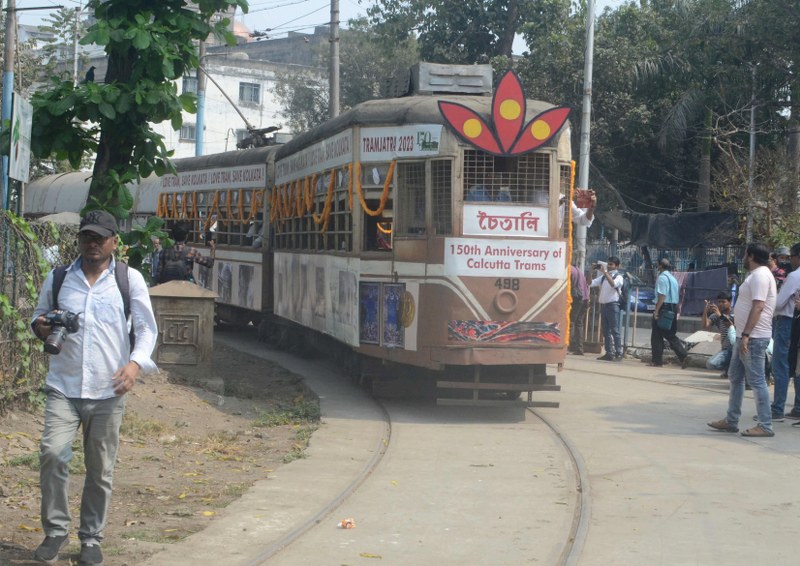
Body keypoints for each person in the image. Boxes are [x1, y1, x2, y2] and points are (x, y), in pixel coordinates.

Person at [30, 210, 158, 565]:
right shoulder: (58, 278)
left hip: (108, 390)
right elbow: (38, 316)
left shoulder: (127, 279)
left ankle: (91, 538)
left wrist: (135, 364)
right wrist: (41, 326)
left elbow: (147, 329)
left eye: (100, 238)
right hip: (63, 386)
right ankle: (56, 532)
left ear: (115, 242)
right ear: (80, 240)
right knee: (52, 454)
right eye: (87, 236)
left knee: (100, 469)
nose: (93, 243)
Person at [708, 242, 777, 437]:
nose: (743, 257)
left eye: (745, 254)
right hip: (743, 336)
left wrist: (746, 335)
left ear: (752, 256)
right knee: (736, 377)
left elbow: (758, 307)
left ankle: (765, 425)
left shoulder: (761, 276)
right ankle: (731, 420)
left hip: (753, 337)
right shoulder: (755, 275)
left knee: (756, 381)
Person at [770, 242, 800, 421]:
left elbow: (780, 303)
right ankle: (797, 407)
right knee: (797, 365)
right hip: (795, 322)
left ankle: (777, 408)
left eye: (791, 257)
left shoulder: (794, 276)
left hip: (787, 321)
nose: (789, 261)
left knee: (781, 365)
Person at [651, 258, 689, 368]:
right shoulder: (673, 278)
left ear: (660, 266)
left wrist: (656, 311)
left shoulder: (662, 278)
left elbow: (662, 296)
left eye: (657, 265)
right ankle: (683, 356)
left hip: (664, 307)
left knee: (657, 335)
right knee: (670, 334)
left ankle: (657, 361)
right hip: (673, 307)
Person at [589, 256, 623, 361]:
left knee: (615, 330)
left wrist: (605, 273)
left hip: (613, 305)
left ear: (617, 266)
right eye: (608, 264)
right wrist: (591, 271)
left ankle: (619, 353)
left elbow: (613, 284)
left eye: (611, 264)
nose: (609, 266)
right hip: (604, 306)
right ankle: (609, 353)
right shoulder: (603, 277)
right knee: (606, 331)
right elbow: (590, 283)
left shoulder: (618, 277)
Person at [702, 291, 734, 377]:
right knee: (710, 364)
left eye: (723, 302)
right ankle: (728, 369)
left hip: (735, 348)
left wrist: (720, 315)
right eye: (719, 302)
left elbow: (731, 325)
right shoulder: (716, 315)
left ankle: (731, 369)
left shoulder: (735, 313)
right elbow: (705, 325)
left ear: (730, 302)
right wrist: (705, 311)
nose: (721, 304)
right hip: (726, 349)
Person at [568, 264, 590, 355]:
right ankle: (579, 348)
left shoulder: (570, 270)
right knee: (579, 324)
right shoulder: (579, 270)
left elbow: (569, 284)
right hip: (585, 298)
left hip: (576, 298)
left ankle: (566, 347)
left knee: (571, 322)